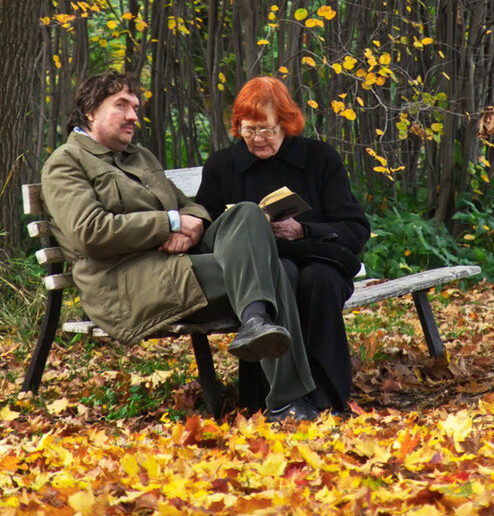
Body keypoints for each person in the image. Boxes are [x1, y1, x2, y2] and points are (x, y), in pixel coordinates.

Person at [41, 71, 318, 422]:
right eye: (121, 106)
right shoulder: (66, 163)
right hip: (126, 283)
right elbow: (89, 232)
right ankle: (287, 397)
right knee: (270, 270)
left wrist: (191, 226)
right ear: (89, 111)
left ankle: (255, 322)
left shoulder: (139, 157)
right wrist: (169, 224)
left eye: (136, 108)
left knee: (246, 214)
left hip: (175, 264)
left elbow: (190, 206)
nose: (132, 116)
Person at [196, 76, 370, 415]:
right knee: (282, 275)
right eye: (248, 130)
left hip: (318, 258)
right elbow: (209, 230)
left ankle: (327, 397)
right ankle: (274, 399)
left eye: (267, 130)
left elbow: (355, 228)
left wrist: (302, 229)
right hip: (261, 270)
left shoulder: (319, 158)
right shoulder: (223, 166)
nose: (258, 139)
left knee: (317, 280)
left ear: (286, 124)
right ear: (237, 127)